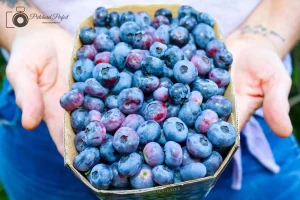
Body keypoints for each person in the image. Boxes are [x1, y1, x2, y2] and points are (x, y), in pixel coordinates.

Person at [0, 0, 299, 199]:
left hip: (247, 139)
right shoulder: (107, 96)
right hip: (44, 112)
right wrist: (27, 28)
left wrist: (265, 36)